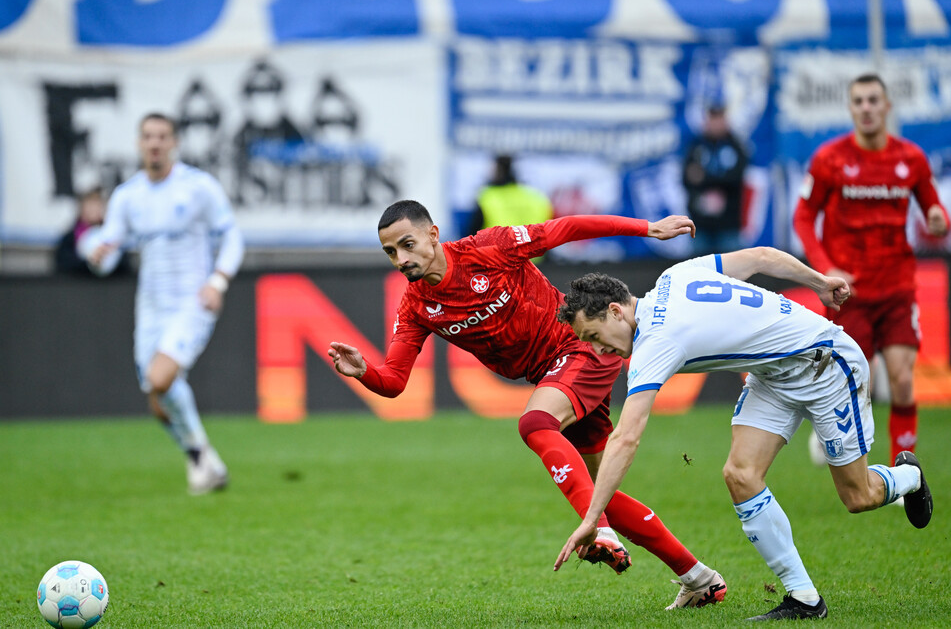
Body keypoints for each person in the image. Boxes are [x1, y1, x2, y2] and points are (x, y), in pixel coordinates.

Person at [329, 200, 728, 610]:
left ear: (433, 234)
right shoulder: (416, 305)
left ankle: (601, 532)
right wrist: (363, 372)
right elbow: (394, 381)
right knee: (598, 491)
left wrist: (648, 228)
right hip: (553, 376)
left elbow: (566, 228)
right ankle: (699, 578)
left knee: (534, 423)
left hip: (581, 344)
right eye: (391, 252)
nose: (401, 259)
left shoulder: (489, 248)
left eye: (407, 244)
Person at [553, 247, 933, 621]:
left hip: (826, 364)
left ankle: (910, 477)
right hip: (774, 376)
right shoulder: (674, 277)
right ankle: (804, 598)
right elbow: (762, 257)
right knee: (740, 474)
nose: (597, 348)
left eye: (593, 334)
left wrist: (592, 519)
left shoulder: (656, 342)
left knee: (858, 495)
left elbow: (626, 438)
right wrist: (819, 282)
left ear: (616, 311)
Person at [793, 73, 949, 464]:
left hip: (897, 287)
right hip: (850, 294)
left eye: (873, 100)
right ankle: (837, 439)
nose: (866, 108)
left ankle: (905, 471)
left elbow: (935, 209)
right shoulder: (830, 159)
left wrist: (938, 218)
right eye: (859, 101)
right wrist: (827, 268)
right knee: (857, 383)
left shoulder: (910, 158)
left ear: (886, 106)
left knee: (900, 378)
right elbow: (802, 217)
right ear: (850, 108)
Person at [86, 113, 245, 495]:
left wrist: (218, 282)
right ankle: (205, 460)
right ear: (139, 143)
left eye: (162, 136)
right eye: (148, 137)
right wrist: (97, 254)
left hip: (192, 301)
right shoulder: (127, 196)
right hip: (151, 307)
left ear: (174, 142)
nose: (155, 143)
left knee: (161, 378)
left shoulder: (197, 187)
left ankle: (199, 462)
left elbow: (232, 237)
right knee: (158, 402)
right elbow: (108, 250)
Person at [682, 104, 748, 254]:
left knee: (729, 272)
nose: (716, 123)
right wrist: (718, 181)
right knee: (698, 271)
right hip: (700, 223)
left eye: (719, 119)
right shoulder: (696, 145)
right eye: (712, 119)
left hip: (728, 223)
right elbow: (687, 178)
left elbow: (737, 178)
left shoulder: (736, 145)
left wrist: (704, 178)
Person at [467, 154, 553, 238]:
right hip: (535, 250)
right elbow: (549, 231)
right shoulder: (536, 197)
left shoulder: (488, 197)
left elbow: (472, 235)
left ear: (498, 172)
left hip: (497, 250)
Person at [54, 186, 131, 277]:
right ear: (81, 208)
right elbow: (63, 264)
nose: (93, 210)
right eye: (89, 205)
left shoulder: (113, 236)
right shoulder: (70, 238)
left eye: (97, 205)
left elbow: (125, 265)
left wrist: (108, 261)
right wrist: (89, 263)